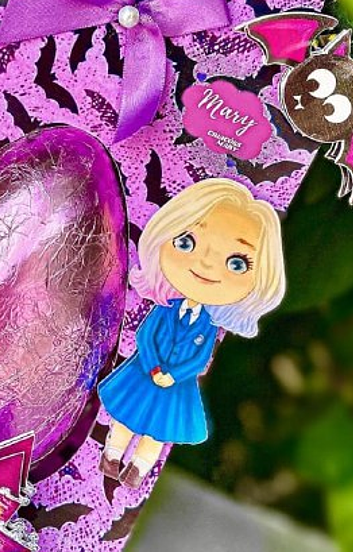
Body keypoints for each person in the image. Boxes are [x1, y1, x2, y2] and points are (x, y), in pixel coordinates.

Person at [99, 179, 287, 488]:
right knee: (126, 416)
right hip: (145, 371)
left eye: (237, 263)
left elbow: (201, 358)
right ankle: (112, 455)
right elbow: (146, 336)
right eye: (186, 242)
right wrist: (154, 367)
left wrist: (174, 375)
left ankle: (138, 469)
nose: (206, 266)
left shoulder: (208, 325)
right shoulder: (165, 308)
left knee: (159, 431)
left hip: (177, 383)